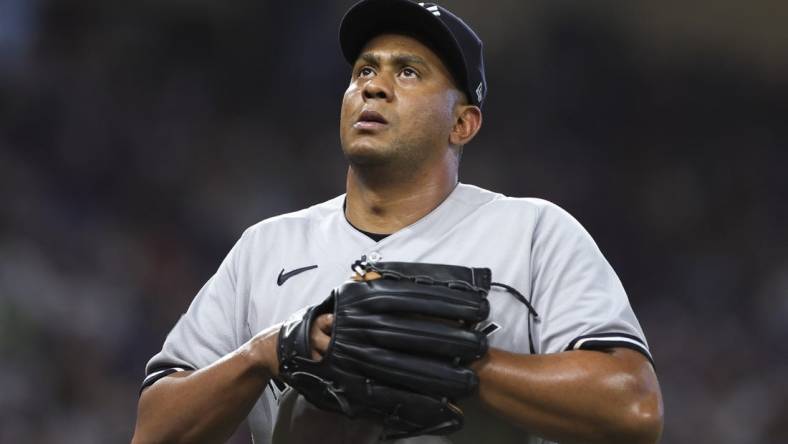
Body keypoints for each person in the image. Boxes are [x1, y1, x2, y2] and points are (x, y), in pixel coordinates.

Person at [132, 1, 664, 443]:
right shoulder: (266, 246)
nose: (374, 86)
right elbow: (154, 430)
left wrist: (461, 364)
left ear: (462, 122)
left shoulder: (533, 232)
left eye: (408, 71)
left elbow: (634, 409)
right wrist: (268, 353)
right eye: (364, 70)